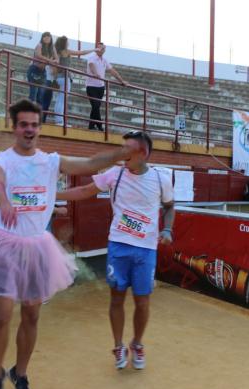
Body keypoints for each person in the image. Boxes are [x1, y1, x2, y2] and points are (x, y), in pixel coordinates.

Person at [0, 99, 137, 389]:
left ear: (39, 127)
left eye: (34, 124)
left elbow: (89, 164)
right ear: (14, 127)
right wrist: (4, 201)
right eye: (24, 124)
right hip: (5, 244)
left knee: (32, 314)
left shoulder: (49, 161)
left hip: (37, 246)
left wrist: (122, 153)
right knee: (3, 314)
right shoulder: (1, 161)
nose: (29, 130)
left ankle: (19, 374)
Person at [57, 130, 174, 370]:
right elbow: (83, 191)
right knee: (116, 298)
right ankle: (118, 344)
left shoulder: (161, 179)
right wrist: (51, 195)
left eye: (127, 149)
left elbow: (170, 207)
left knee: (143, 302)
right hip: (119, 247)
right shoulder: (114, 174)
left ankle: (137, 343)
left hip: (146, 250)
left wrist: (168, 229)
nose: (121, 153)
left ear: (143, 153)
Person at [52, 36, 97, 126]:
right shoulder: (66, 51)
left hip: (59, 77)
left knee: (60, 99)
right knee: (62, 100)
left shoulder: (56, 51)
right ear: (64, 43)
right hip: (65, 77)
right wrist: (94, 49)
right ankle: (59, 121)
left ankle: (59, 120)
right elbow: (81, 53)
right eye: (67, 41)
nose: (68, 43)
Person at [85, 43, 127, 131]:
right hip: (91, 86)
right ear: (97, 48)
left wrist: (121, 81)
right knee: (96, 105)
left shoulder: (104, 60)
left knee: (95, 107)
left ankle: (91, 126)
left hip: (100, 87)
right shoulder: (92, 57)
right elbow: (91, 65)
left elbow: (112, 71)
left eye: (103, 48)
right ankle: (100, 125)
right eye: (100, 48)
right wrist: (95, 73)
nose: (102, 49)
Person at [26, 32, 58, 104]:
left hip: (43, 71)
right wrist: (50, 60)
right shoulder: (39, 45)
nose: (46, 38)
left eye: (48, 37)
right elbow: (38, 55)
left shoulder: (52, 47)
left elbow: (57, 59)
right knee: (33, 94)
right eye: (45, 36)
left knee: (40, 96)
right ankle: (29, 113)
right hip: (34, 70)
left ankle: (36, 114)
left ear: (51, 38)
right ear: (42, 38)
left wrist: (54, 60)